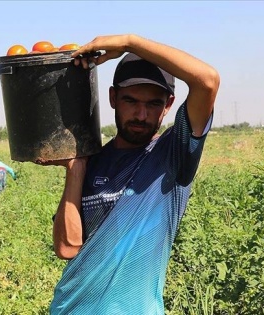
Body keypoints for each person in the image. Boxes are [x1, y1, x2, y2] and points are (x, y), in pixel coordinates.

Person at [47, 34, 220, 314]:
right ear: (113, 98)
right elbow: (67, 248)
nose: (141, 114)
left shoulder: (173, 156)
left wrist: (128, 42)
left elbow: (207, 81)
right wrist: (76, 169)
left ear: (168, 105)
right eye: (131, 101)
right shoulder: (92, 162)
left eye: (153, 104)